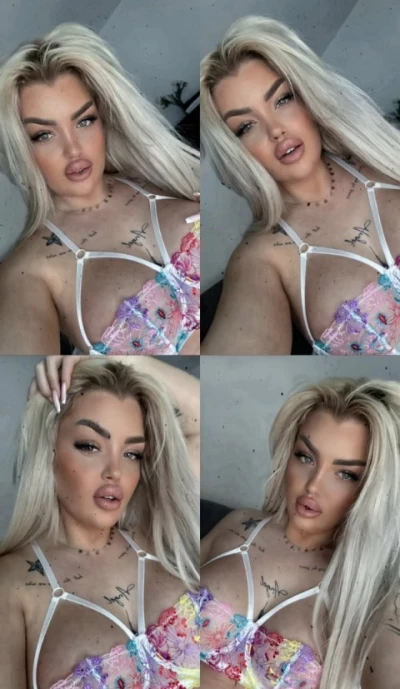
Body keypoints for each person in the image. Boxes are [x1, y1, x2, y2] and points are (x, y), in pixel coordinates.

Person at [200, 15, 400, 356]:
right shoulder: (261, 259)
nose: (275, 130)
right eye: (246, 126)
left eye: (282, 100)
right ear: (235, 151)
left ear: (308, 97)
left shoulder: (388, 158)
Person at [0, 356, 200, 688]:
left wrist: (114, 359)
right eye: (90, 446)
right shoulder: (11, 586)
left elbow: (199, 423)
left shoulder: (157, 534)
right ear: (49, 449)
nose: (115, 472)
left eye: (132, 453)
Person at [0, 23, 200, 355]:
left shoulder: (164, 177)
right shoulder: (27, 271)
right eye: (43, 135)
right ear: (20, 148)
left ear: (104, 118)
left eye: (84, 120)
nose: (73, 148)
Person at [200, 378, 400, 689]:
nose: (313, 485)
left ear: (376, 489)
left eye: (346, 474)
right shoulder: (239, 525)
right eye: (306, 457)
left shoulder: (371, 600)